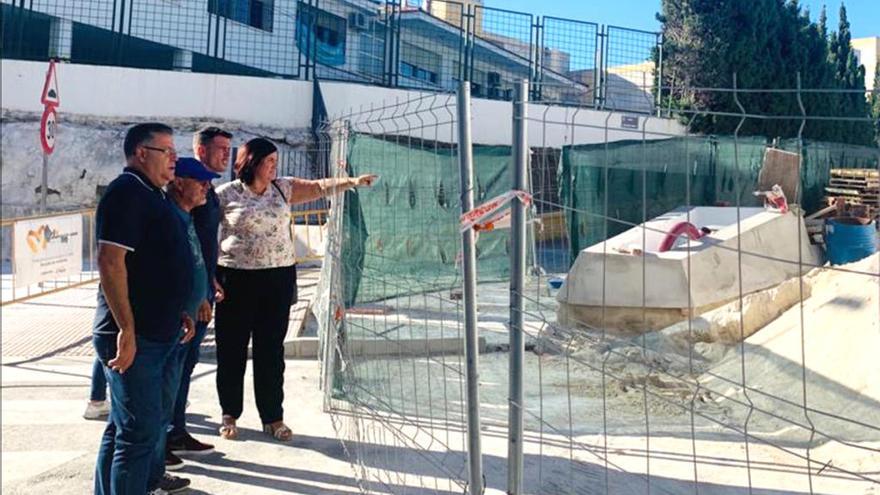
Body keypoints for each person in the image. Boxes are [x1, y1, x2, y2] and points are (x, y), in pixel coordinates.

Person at [214, 137, 376, 441]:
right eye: (270, 161)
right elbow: (203, 231)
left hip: (276, 280)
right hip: (235, 280)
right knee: (232, 348)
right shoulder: (226, 194)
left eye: (276, 161)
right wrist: (209, 276)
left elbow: (317, 187)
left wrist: (351, 181)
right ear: (252, 162)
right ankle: (229, 413)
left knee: (271, 351)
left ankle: (273, 417)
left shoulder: (282, 188)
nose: (275, 166)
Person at [92, 122, 195, 495]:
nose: (174, 159)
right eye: (165, 151)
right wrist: (127, 330)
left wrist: (178, 309)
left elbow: (155, 262)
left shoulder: (151, 194)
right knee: (137, 435)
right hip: (136, 337)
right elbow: (110, 262)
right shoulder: (127, 193)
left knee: (127, 428)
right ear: (141, 153)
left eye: (174, 152)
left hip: (159, 329)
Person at [165, 127, 232, 466]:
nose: (226, 155)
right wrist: (198, 294)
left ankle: (175, 430)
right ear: (200, 150)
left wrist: (211, 278)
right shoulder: (184, 199)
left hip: (203, 289)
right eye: (220, 148)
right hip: (192, 298)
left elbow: (203, 246)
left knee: (185, 367)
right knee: (174, 367)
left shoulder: (209, 192)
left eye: (229, 149)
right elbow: (185, 251)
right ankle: (166, 435)